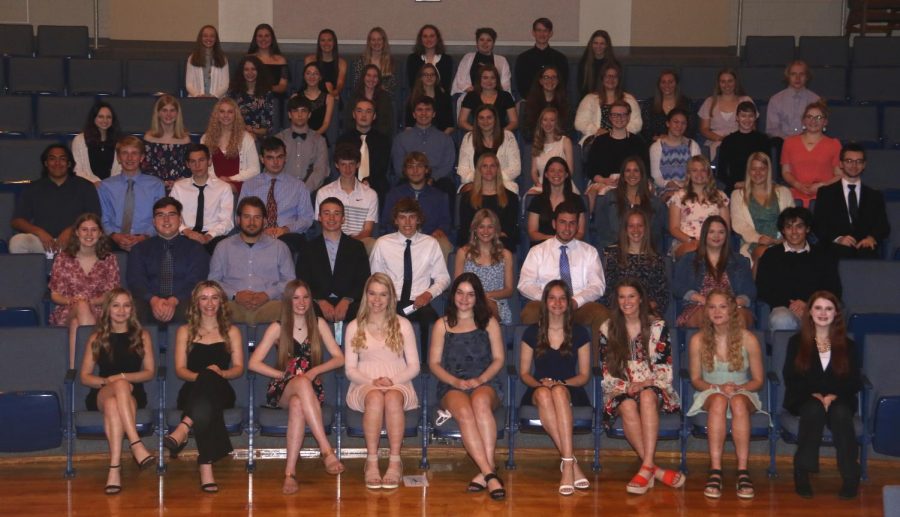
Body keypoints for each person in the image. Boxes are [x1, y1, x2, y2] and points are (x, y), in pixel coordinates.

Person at [248, 279, 346, 494]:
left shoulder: (318, 323)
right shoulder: (277, 326)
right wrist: (283, 375)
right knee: (298, 384)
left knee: (297, 404)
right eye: (296, 298)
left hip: (309, 388)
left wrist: (314, 371)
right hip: (282, 388)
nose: (301, 302)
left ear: (311, 300)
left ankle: (289, 473)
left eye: (305, 297)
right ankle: (326, 450)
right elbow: (253, 363)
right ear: (288, 300)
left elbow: (340, 358)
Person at [599, 280, 682, 494]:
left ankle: (646, 467)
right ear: (616, 301)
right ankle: (653, 469)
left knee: (646, 396)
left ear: (641, 299)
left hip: (654, 385)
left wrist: (645, 383)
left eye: (632, 296)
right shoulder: (607, 328)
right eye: (622, 297)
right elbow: (607, 373)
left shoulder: (657, 327)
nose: (627, 301)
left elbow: (665, 369)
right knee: (626, 406)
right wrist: (627, 386)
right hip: (620, 388)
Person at [428, 273, 506, 498]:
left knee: (480, 403)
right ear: (453, 295)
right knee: (464, 411)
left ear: (478, 298)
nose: (464, 298)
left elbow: (499, 359)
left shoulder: (489, 322)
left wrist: (480, 380)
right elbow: (433, 363)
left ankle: (486, 472)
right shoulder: (441, 324)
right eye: (460, 293)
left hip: (485, 381)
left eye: (471, 294)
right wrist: (456, 382)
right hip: (452, 384)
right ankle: (491, 474)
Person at [162, 281, 244, 493]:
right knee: (203, 405)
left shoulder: (231, 331)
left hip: (222, 390)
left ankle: (184, 426)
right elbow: (180, 369)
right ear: (196, 302)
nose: (209, 303)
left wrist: (219, 374)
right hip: (191, 389)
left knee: (208, 387)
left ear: (221, 302)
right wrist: (204, 377)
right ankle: (205, 466)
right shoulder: (184, 331)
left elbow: (238, 369)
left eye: (214, 297)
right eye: (204, 298)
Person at [783, 290, 862, 500]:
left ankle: (850, 475)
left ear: (836, 313)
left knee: (841, 413)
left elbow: (854, 380)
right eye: (818, 308)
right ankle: (802, 471)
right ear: (809, 312)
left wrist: (833, 395)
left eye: (829, 308)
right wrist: (815, 394)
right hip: (803, 397)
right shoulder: (796, 342)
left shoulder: (849, 346)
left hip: (840, 397)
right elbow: (791, 377)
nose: (823, 313)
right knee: (813, 409)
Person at [344, 273, 420, 489]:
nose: (377, 300)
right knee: (376, 397)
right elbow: (350, 369)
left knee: (393, 398)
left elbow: (414, 366)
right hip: (364, 382)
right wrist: (372, 382)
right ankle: (372, 462)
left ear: (391, 298)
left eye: (383, 295)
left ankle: (395, 461)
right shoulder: (354, 326)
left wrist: (392, 380)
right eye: (372, 294)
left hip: (398, 380)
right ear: (366, 296)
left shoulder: (403, 324)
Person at [687, 289, 764, 499]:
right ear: (706, 311)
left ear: (732, 309)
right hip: (710, 391)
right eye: (712, 307)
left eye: (722, 306)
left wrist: (739, 389)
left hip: (743, 391)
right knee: (720, 401)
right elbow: (696, 379)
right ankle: (715, 470)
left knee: (738, 402)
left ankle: (742, 470)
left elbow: (758, 380)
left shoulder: (748, 339)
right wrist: (718, 389)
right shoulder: (697, 340)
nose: (717, 311)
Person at [78, 288, 156, 494]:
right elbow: (85, 376)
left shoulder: (142, 335)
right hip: (102, 392)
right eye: (116, 305)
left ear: (132, 309)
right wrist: (108, 382)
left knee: (116, 400)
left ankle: (114, 468)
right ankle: (136, 444)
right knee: (116, 391)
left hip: (133, 394)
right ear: (107, 309)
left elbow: (149, 372)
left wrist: (122, 378)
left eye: (126, 305)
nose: (121, 310)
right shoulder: (97, 337)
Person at [518, 280, 592, 495]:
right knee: (544, 393)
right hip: (538, 387)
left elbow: (584, 375)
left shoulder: (580, 333)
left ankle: (567, 464)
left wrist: (562, 383)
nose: (557, 303)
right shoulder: (531, 332)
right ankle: (571, 463)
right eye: (552, 298)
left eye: (562, 298)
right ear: (545, 302)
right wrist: (541, 383)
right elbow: (524, 373)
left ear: (569, 303)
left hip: (570, 387)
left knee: (558, 392)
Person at [518, 202, 609, 337]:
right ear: (554, 224)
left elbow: (597, 286)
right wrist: (549, 300)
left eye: (572, 223)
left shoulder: (589, 252)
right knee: (530, 312)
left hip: (578, 307)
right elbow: (525, 284)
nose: (567, 228)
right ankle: (537, 358)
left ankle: (593, 359)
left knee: (601, 314)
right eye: (562, 222)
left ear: (578, 226)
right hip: (545, 305)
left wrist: (575, 301)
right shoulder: (537, 251)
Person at [370, 198, 450, 348]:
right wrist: (384, 299)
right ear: (395, 220)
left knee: (432, 322)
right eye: (402, 217)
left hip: (419, 301)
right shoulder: (382, 243)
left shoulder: (430, 243)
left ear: (418, 219)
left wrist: (428, 294)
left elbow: (443, 277)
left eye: (412, 217)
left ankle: (426, 364)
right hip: (390, 301)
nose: (407, 222)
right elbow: (375, 279)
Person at [208, 196, 295, 324]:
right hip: (232, 306)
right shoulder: (223, 247)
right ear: (238, 220)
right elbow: (213, 282)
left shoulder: (279, 247)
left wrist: (267, 295)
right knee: (211, 309)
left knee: (291, 309)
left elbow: (290, 282)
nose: (252, 222)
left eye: (257, 217)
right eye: (247, 217)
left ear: (265, 221)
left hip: (271, 306)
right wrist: (235, 295)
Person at [50, 213, 120, 367]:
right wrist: (73, 301)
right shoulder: (63, 258)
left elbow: (112, 294)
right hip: (67, 310)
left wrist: (91, 301)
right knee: (80, 307)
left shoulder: (109, 259)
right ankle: (92, 366)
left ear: (100, 233)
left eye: (94, 230)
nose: (89, 234)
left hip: (100, 309)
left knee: (76, 324)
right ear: (76, 232)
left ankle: (74, 368)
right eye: (84, 230)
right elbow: (55, 294)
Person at [127, 197, 210, 325]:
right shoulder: (139, 249)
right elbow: (136, 281)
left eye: (171, 214)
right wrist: (153, 300)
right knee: (134, 309)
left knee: (188, 310)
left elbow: (196, 280)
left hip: (183, 300)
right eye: (160, 215)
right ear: (154, 221)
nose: (166, 219)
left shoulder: (195, 249)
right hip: (148, 301)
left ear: (180, 220)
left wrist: (174, 300)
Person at [757, 207, 841, 331]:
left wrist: (809, 303)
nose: (794, 232)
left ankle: (822, 350)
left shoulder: (823, 255)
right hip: (784, 308)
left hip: (816, 308)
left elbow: (833, 288)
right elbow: (763, 288)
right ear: (783, 231)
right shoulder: (771, 255)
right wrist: (791, 305)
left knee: (826, 317)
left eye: (799, 226)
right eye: (789, 227)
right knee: (781, 319)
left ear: (807, 229)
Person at [10, 144, 100, 254]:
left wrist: (71, 230)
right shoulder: (33, 188)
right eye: (52, 159)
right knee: (17, 242)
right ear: (46, 163)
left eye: (62, 159)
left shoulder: (85, 186)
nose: (57, 163)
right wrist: (39, 232)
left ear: (69, 163)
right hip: (43, 242)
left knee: (93, 241)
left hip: (76, 240)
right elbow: (17, 221)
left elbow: (95, 217)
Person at [296, 197, 371, 324]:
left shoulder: (356, 247)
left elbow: (363, 279)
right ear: (319, 217)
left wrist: (347, 300)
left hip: (350, 303)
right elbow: (302, 280)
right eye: (326, 213)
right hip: (317, 302)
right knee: (303, 309)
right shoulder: (308, 248)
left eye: (336, 214)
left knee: (366, 310)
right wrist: (320, 300)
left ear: (343, 219)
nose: (331, 218)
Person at [673, 216, 755, 328]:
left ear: (727, 236)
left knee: (740, 317)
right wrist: (699, 298)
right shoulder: (688, 259)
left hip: (732, 307)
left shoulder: (740, 261)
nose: (716, 236)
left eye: (721, 232)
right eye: (711, 232)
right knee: (704, 316)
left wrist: (732, 304)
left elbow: (750, 291)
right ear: (704, 235)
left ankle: (736, 346)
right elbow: (676, 286)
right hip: (699, 305)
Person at [812, 143, 890, 260]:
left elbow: (883, 226)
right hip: (834, 248)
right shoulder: (826, 193)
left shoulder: (875, 196)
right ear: (841, 164)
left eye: (859, 161)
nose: (854, 165)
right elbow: (818, 224)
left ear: (864, 165)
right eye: (849, 161)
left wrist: (871, 238)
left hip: (865, 250)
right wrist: (838, 239)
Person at [238, 137, 314, 255]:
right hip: (257, 233)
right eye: (270, 158)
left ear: (285, 158)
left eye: (279, 157)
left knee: (291, 243)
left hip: (287, 235)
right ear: (262, 159)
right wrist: (260, 229)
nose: (276, 162)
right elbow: (239, 217)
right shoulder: (249, 185)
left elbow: (307, 218)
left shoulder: (299, 186)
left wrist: (285, 229)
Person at [98, 136, 165, 252]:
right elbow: (104, 217)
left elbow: (160, 217)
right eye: (124, 153)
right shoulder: (106, 186)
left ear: (142, 157)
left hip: (146, 239)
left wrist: (144, 236)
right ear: (118, 158)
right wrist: (115, 236)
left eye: (134, 153)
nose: (130, 157)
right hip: (114, 239)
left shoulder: (156, 185)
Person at [382, 151, 452, 259]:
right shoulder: (394, 194)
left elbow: (445, 223)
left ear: (426, 169)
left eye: (419, 166)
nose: (415, 171)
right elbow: (387, 221)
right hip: (400, 238)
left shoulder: (440, 196)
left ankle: (440, 276)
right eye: (410, 167)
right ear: (405, 171)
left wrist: (440, 231)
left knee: (444, 244)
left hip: (429, 239)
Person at [730, 152, 794, 269]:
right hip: (754, 243)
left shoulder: (784, 192)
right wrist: (758, 238)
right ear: (749, 171)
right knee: (766, 255)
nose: (758, 173)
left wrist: (784, 238)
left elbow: (792, 220)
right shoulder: (737, 195)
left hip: (782, 241)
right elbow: (739, 224)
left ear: (768, 170)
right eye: (754, 169)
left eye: (762, 169)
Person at [592, 157, 667, 253]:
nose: (632, 174)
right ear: (622, 174)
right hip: (614, 250)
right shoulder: (609, 198)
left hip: (645, 252)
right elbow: (601, 228)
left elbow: (657, 234)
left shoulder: (655, 203)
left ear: (642, 174)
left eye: (636, 171)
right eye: (628, 171)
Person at [453, 209, 515, 325]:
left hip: (495, 304)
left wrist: (485, 296)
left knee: (487, 304)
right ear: (475, 229)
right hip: (467, 301)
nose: (486, 231)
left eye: (490, 227)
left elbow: (509, 290)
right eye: (481, 227)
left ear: (496, 230)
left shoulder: (506, 255)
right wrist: (473, 297)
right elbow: (457, 286)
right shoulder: (463, 253)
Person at [600, 210, 669, 314]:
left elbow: (662, 296)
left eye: (640, 225)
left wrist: (643, 308)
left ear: (646, 229)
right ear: (625, 229)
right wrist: (626, 307)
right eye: (631, 226)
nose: (635, 230)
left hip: (647, 312)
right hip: (621, 310)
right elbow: (608, 292)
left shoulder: (656, 259)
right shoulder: (613, 256)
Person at [170, 143, 234, 253]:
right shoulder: (179, 187)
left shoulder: (223, 188)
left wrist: (209, 236)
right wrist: (187, 232)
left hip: (213, 236)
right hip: (186, 234)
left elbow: (227, 221)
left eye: (201, 160)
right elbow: (172, 215)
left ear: (209, 161)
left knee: (224, 247)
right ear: (187, 164)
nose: (197, 165)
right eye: (193, 161)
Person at [314, 143, 378, 251]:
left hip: (359, 242)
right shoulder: (324, 192)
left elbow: (368, 230)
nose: (347, 169)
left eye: (351, 164)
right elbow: (322, 225)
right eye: (343, 164)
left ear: (358, 164)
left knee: (373, 244)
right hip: (332, 239)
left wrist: (350, 244)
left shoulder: (370, 194)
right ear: (336, 165)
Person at [584, 99, 649, 200]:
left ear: (629, 117)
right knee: (592, 193)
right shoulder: (599, 141)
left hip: (632, 182)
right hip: (604, 183)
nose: (619, 118)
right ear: (610, 117)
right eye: (615, 115)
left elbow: (645, 170)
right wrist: (604, 180)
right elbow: (590, 170)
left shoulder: (638, 142)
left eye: (623, 114)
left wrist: (629, 180)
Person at [780, 101, 841, 207]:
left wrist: (823, 185)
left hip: (824, 197)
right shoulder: (789, 142)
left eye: (818, 117)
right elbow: (786, 171)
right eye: (809, 117)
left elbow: (840, 175)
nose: (813, 121)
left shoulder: (834, 144)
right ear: (803, 120)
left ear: (825, 122)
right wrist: (797, 184)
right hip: (794, 197)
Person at [667, 155, 730, 258]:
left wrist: (710, 242)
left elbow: (726, 227)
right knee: (693, 251)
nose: (699, 174)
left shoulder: (720, 196)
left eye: (703, 170)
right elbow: (674, 228)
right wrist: (692, 240)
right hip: (686, 242)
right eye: (694, 170)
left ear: (708, 173)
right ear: (689, 174)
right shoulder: (678, 196)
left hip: (714, 241)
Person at [391, 96, 456, 196]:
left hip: (437, 181)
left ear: (434, 114)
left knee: (447, 186)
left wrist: (432, 178)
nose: (424, 113)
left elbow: (447, 166)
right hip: (410, 179)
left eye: (428, 110)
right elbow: (399, 167)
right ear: (414, 114)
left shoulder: (445, 139)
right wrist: (416, 179)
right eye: (420, 110)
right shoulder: (401, 139)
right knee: (399, 186)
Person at [457, 153, 520, 252]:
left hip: (501, 246)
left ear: (497, 170)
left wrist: (489, 239)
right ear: (479, 170)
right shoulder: (467, 197)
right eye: (484, 166)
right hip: (474, 244)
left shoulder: (511, 198)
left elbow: (510, 231)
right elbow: (465, 229)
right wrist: (482, 240)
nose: (489, 170)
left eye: (492, 166)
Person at [574, 61, 642, 147]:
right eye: (607, 76)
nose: (611, 79)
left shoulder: (629, 99)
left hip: (623, 138)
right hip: (596, 138)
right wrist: (597, 130)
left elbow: (637, 124)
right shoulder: (589, 99)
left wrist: (619, 133)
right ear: (602, 79)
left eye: (614, 76)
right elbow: (579, 123)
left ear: (619, 79)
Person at [200, 97, 260, 194]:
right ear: (216, 115)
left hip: (239, 183)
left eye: (230, 112)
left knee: (226, 189)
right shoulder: (205, 139)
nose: (226, 115)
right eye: (222, 111)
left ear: (235, 115)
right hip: (214, 183)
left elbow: (255, 169)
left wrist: (230, 179)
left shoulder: (246, 138)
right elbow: (204, 167)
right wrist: (217, 182)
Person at [337, 98, 392, 203]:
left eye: (368, 111)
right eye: (359, 111)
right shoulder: (343, 140)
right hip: (349, 185)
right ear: (354, 114)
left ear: (374, 116)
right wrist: (356, 184)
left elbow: (382, 167)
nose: (363, 115)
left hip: (376, 187)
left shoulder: (383, 140)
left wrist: (367, 182)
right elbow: (342, 166)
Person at [457, 105, 521, 193]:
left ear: (495, 119)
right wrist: (481, 179)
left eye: (489, 118)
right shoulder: (468, 138)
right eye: (481, 118)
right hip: (474, 183)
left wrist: (493, 179)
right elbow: (462, 170)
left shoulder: (508, 137)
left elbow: (515, 168)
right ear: (477, 121)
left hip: (502, 183)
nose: (485, 121)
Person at [275, 95, 330, 192]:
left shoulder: (320, 141)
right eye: (295, 111)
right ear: (289, 114)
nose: (300, 115)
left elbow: (320, 171)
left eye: (303, 111)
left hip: (310, 193)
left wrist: (303, 191)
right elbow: (273, 168)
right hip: (282, 191)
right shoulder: (279, 139)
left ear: (309, 114)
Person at [716, 102, 772, 195]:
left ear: (755, 118)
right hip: (735, 187)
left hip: (758, 185)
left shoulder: (763, 140)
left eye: (750, 116)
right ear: (737, 118)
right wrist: (734, 184)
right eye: (743, 116)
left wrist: (751, 183)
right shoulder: (728, 141)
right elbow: (721, 172)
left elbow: (768, 167)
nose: (747, 119)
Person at [526, 157, 585, 245]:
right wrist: (555, 240)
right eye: (552, 171)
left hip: (570, 247)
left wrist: (563, 242)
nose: (556, 174)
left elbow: (580, 233)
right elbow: (532, 233)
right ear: (546, 174)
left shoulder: (576, 200)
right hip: (542, 247)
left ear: (566, 174)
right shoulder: (537, 200)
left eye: (560, 171)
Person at [697, 68, 754, 160]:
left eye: (730, 81)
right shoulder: (710, 102)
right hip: (716, 142)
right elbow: (704, 129)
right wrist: (721, 139)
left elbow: (752, 127)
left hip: (741, 140)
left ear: (735, 82)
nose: (726, 85)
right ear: (718, 84)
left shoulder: (746, 100)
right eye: (723, 81)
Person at [648, 108, 701, 198]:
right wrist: (667, 184)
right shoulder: (656, 147)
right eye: (676, 122)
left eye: (683, 123)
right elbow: (656, 177)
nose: (679, 126)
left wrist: (683, 186)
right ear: (668, 123)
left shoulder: (693, 145)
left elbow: (697, 173)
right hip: (664, 189)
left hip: (688, 188)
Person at [142, 95, 191, 190]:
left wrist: (178, 182)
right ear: (158, 113)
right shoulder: (149, 138)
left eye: (172, 110)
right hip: (154, 187)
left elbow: (189, 168)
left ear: (177, 114)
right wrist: (160, 182)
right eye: (164, 110)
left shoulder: (185, 139)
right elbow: (145, 167)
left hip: (180, 187)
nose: (168, 114)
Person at [766, 60, 820, 139]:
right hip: (783, 144)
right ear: (788, 76)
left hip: (809, 143)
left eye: (801, 74)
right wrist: (790, 142)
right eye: (793, 74)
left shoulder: (816, 100)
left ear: (807, 77)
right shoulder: (775, 100)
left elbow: (819, 126)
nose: (797, 78)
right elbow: (772, 129)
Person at [451, 27, 512, 97]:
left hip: (495, 96)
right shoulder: (467, 58)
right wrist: (478, 94)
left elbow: (505, 84)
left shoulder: (502, 60)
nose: (485, 43)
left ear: (493, 43)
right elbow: (461, 81)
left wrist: (490, 94)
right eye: (482, 40)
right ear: (477, 42)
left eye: (489, 40)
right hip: (471, 95)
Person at [71, 101, 121, 184]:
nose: (105, 120)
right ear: (93, 118)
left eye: (108, 117)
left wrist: (108, 184)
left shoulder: (119, 141)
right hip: (87, 187)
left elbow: (120, 169)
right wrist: (95, 182)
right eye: (100, 117)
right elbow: (77, 169)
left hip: (112, 187)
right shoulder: (79, 140)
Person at [528, 107, 575, 192]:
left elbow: (570, 170)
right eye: (545, 120)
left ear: (556, 123)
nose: (548, 123)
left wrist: (558, 184)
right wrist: (538, 184)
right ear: (541, 123)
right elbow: (533, 171)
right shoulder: (536, 144)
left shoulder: (565, 141)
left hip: (561, 183)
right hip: (542, 184)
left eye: (552, 120)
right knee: (531, 195)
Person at [228, 55, 275, 141]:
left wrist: (253, 131)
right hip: (237, 136)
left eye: (253, 69)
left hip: (260, 138)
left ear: (259, 71)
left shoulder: (267, 95)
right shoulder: (233, 94)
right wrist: (246, 133)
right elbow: (229, 121)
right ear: (241, 72)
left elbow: (268, 127)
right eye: (246, 69)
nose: (250, 73)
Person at [459, 65, 517, 132]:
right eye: (485, 78)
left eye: (493, 78)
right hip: (477, 134)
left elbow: (514, 122)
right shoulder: (471, 96)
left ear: (497, 80)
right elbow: (461, 121)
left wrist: (500, 132)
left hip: (501, 134)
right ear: (479, 80)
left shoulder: (506, 96)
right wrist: (476, 131)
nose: (489, 81)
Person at [641, 70, 695, 142]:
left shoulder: (687, 103)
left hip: (681, 142)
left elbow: (691, 128)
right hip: (656, 142)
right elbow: (645, 130)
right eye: (663, 82)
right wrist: (658, 138)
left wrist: (673, 138)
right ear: (659, 85)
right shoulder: (649, 104)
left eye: (670, 82)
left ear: (676, 84)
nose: (667, 85)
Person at [344, 64, 395, 141]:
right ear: (363, 77)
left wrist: (372, 135)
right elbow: (349, 120)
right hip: (356, 136)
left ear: (378, 79)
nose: (371, 79)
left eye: (375, 76)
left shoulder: (385, 97)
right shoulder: (354, 96)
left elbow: (387, 123)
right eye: (368, 75)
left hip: (378, 138)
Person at [522, 66, 570, 143]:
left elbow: (568, 129)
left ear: (558, 81)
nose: (550, 80)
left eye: (554, 77)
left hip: (558, 143)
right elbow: (526, 131)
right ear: (540, 81)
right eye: (546, 77)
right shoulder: (529, 105)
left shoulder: (565, 104)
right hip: (536, 143)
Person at [404, 64, 455, 134]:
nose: (429, 77)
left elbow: (450, 126)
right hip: (417, 138)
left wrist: (441, 139)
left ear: (436, 77)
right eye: (426, 75)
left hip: (440, 137)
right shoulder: (413, 98)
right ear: (421, 78)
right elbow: (408, 126)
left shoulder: (445, 98)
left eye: (432, 74)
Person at [406, 24, 454, 93]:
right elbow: (413, 84)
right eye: (425, 36)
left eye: (432, 36)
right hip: (419, 96)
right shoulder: (413, 59)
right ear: (421, 39)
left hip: (440, 97)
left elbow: (446, 86)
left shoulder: (446, 60)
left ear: (437, 38)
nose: (428, 39)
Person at [185, 24, 229, 98]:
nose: (208, 38)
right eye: (205, 36)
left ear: (216, 39)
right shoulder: (192, 58)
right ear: (200, 38)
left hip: (217, 100)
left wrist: (214, 96)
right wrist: (197, 95)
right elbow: (189, 84)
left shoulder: (223, 58)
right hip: (196, 99)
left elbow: (225, 84)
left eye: (212, 36)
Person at [351, 27, 397, 96]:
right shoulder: (360, 61)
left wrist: (376, 89)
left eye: (379, 39)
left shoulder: (391, 62)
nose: (376, 43)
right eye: (373, 40)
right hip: (364, 96)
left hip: (383, 97)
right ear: (369, 42)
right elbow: (357, 83)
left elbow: (393, 85)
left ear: (384, 42)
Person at [294, 62, 335, 137]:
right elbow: (293, 121)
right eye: (308, 73)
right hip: (298, 136)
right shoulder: (295, 97)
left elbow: (326, 124)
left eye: (315, 74)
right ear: (304, 76)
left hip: (318, 137)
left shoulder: (329, 98)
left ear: (320, 77)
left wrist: (313, 137)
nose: (311, 77)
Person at [304, 29, 347, 100]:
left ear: (334, 43)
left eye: (329, 40)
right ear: (319, 43)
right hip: (313, 94)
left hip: (333, 96)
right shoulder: (309, 60)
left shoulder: (341, 62)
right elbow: (307, 80)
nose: (326, 43)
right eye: (323, 40)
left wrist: (331, 94)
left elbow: (340, 84)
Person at [247, 23, 289, 94]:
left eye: (267, 36)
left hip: (275, 97)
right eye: (260, 36)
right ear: (255, 39)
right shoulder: (248, 59)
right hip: (253, 95)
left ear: (272, 38)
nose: (263, 39)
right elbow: (242, 82)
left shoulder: (281, 60)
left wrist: (266, 88)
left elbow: (283, 86)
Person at [577, 30, 616, 99]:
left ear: (607, 45)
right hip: (588, 100)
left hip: (608, 99)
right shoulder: (584, 63)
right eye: (596, 43)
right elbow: (581, 88)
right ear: (591, 44)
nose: (598, 46)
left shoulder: (614, 64)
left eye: (602, 43)